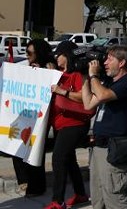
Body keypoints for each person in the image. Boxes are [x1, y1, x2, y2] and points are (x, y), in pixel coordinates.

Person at [81, 46, 127, 209]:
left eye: (109, 59)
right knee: (98, 196)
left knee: (115, 196)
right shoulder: (108, 82)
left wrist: (94, 75)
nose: (104, 63)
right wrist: (86, 77)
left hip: (114, 147)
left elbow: (103, 95)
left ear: (121, 63)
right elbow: (88, 104)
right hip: (99, 146)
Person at [44, 42, 91, 209]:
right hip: (60, 124)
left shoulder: (78, 74)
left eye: (60, 54)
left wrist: (62, 91)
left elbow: (84, 98)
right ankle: (80, 194)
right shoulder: (58, 74)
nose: (57, 57)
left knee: (58, 158)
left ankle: (58, 201)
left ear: (68, 56)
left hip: (75, 123)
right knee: (69, 160)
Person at [12, 38, 56, 198]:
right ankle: (24, 181)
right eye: (26, 52)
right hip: (24, 116)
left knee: (35, 152)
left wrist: (44, 73)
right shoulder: (26, 66)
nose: (27, 56)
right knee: (16, 148)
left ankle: (37, 186)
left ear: (40, 54)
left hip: (41, 119)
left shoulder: (50, 67)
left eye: (30, 53)